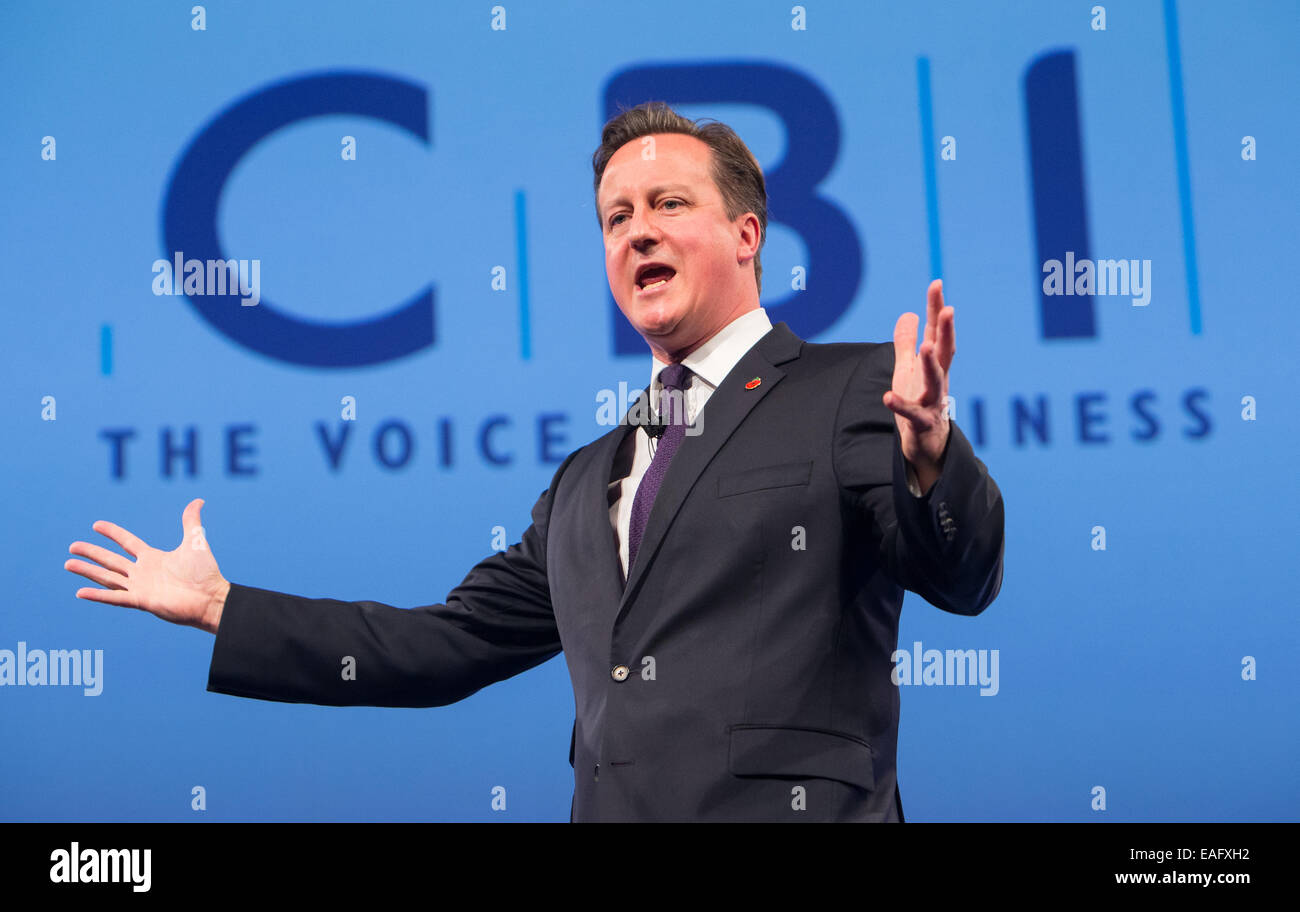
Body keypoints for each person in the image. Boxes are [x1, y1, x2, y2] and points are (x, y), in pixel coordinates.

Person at [65, 102, 1004, 822]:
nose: (636, 230)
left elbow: (962, 578)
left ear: (746, 235)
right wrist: (226, 610)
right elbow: (442, 646)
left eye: (669, 205)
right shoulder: (588, 477)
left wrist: (929, 459)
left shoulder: (848, 388)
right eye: (615, 216)